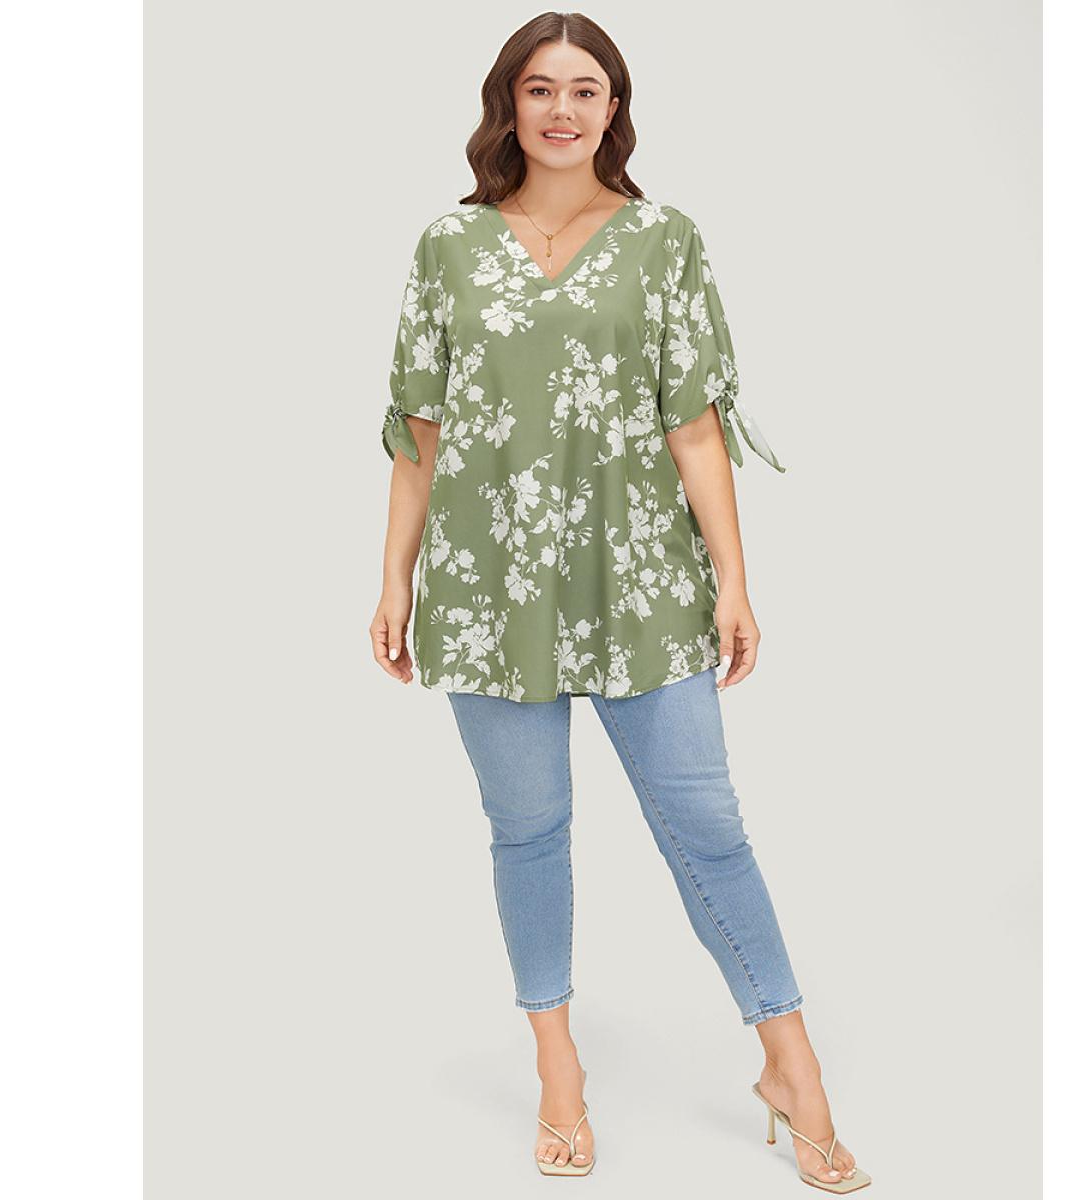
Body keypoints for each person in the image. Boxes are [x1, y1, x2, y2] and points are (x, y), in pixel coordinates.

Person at [369, 12, 870, 1191]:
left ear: (614, 107)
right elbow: (420, 434)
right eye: (540, 88)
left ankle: (791, 1067)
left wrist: (734, 580)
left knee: (707, 826)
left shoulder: (663, 240)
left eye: (584, 89)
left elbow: (695, 426)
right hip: (486, 585)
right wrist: (393, 576)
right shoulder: (448, 245)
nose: (561, 110)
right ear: (509, 103)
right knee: (529, 830)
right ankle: (558, 1070)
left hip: (642, 578)